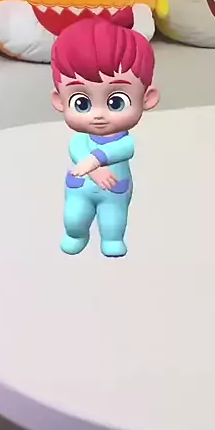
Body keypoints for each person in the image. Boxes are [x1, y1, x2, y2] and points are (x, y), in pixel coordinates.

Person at [51, 18, 159, 257]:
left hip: (114, 190)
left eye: (116, 102)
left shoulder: (124, 141)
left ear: (147, 98)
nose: (98, 115)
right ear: (59, 101)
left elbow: (123, 149)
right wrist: (94, 170)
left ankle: (112, 239)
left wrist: (95, 160)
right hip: (80, 188)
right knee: (74, 219)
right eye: (82, 103)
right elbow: (77, 146)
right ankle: (76, 235)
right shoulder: (81, 139)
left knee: (113, 222)